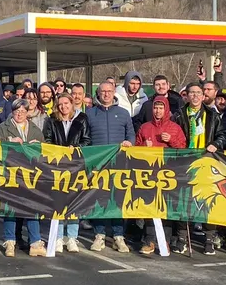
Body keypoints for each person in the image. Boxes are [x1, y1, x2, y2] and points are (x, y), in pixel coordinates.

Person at [173, 82, 226, 254]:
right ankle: (182, 238)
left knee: (206, 201)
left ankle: (209, 238)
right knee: (184, 200)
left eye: (198, 93)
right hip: (185, 163)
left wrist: (215, 144)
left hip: (206, 162)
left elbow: (222, 135)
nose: (195, 96)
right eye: (192, 93)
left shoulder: (212, 115)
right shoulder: (179, 114)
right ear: (186, 96)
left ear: (203, 96)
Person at [85, 80, 135, 253]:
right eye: (102, 91)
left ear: (114, 92)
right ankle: (99, 235)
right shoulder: (90, 114)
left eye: (109, 91)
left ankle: (118, 236)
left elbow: (131, 135)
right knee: (98, 199)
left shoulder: (123, 113)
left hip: (119, 165)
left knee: (117, 200)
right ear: (98, 93)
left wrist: (129, 143)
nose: (106, 94)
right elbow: (86, 139)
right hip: (98, 165)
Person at [0, 99, 47, 257]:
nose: (19, 114)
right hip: (10, 174)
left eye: (23, 111)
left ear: (28, 113)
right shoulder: (3, 128)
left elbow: (45, 151)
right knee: (10, 208)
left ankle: (35, 242)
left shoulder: (35, 130)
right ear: (12, 111)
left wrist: (38, 145)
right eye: (17, 111)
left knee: (32, 207)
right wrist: (9, 142)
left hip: (30, 175)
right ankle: (10, 241)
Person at [135, 96, 186, 256]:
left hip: (168, 174)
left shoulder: (175, 128)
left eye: (161, 108)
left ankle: (165, 240)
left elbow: (183, 150)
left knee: (166, 207)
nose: (158, 111)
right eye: (155, 108)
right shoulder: (144, 127)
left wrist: (171, 141)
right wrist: (144, 146)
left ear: (166, 110)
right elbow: (135, 150)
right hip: (149, 174)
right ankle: (150, 240)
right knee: (150, 206)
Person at [42, 92, 92, 252]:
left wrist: (76, 149)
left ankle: (71, 237)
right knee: (57, 201)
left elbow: (87, 140)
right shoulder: (51, 120)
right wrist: (57, 151)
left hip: (76, 165)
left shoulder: (82, 118)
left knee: (74, 201)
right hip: (57, 166)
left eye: (66, 103)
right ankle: (57, 237)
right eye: (60, 104)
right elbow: (47, 140)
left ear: (72, 104)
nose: (63, 107)